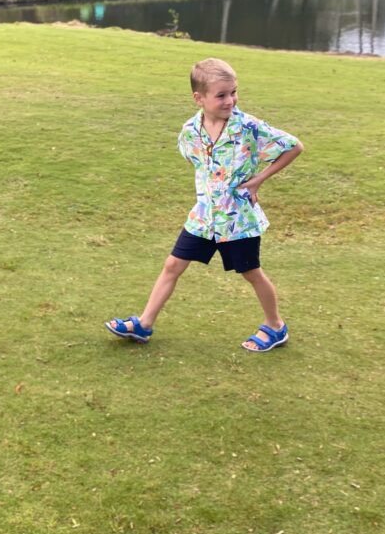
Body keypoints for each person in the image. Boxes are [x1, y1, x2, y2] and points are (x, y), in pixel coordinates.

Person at [105, 58, 304, 352]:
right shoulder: (190, 131)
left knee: (251, 272)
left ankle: (276, 327)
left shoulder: (248, 126)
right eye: (221, 95)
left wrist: (258, 180)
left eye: (234, 92)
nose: (230, 100)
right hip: (203, 218)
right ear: (199, 98)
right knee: (172, 265)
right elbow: (199, 165)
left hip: (238, 221)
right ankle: (144, 324)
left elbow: (294, 146)